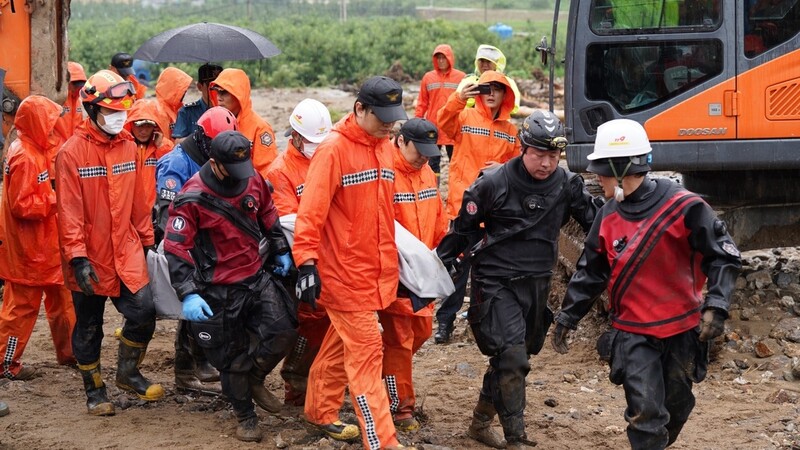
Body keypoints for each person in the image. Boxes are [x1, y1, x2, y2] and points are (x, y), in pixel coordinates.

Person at [551, 118, 742, 450]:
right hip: (633, 334)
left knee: (677, 407)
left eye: (601, 169)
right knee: (646, 416)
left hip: (682, 330)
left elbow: (723, 256)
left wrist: (718, 306)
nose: (596, 176)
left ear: (622, 169)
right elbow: (591, 270)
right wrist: (568, 316)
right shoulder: (607, 216)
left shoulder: (684, 207)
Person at [436, 110, 601, 449]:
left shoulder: (567, 185)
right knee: (512, 358)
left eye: (553, 156)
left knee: (514, 357)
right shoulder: (493, 183)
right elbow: (461, 232)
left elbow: (597, 225)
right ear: (523, 148)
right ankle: (517, 439)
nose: (546, 163)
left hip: (538, 282)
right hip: (496, 281)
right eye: (539, 154)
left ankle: (480, 423)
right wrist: (441, 269)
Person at [293, 76, 407, 449]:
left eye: (394, 117)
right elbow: (310, 213)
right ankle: (382, 441)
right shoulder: (333, 151)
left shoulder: (385, 148)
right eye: (383, 117)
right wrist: (307, 264)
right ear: (360, 109)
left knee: (341, 345)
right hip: (342, 276)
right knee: (368, 352)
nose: (390, 125)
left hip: (376, 273)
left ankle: (319, 410)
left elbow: (385, 215)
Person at [163, 130, 297, 442]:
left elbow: (266, 210)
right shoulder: (192, 197)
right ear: (215, 163)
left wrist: (279, 248)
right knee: (230, 358)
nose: (241, 177)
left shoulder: (252, 178)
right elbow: (175, 246)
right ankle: (245, 416)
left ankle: (256, 376)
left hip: (254, 275)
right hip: (217, 287)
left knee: (284, 329)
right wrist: (188, 292)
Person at [56, 69, 163, 416]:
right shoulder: (71, 154)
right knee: (89, 326)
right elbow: (68, 211)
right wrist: (77, 257)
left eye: (123, 112)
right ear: (92, 110)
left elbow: (138, 202)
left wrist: (147, 243)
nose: (120, 119)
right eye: (113, 112)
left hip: (126, 250)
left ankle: (128, 372)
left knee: (145, 310)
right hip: (89, 256)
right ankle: (94, 392)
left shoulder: (129, 147)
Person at [155, 106, 239, 393]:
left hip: (210, 243)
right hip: (180, 243)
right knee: (191, 299)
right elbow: (166, 214)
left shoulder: (216, 162)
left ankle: (202, 360)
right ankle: (186, 371)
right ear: (204, 139)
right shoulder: (175, 164)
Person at [433, 70, 520, 344]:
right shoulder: (465, 118)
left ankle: (484, 325)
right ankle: (445, 323)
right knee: (458, 270)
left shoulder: (511, 131)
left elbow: (520, 168)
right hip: (463, 210)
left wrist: (504, 168)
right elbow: (442, 124)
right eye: (486, 88)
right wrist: (458, 98)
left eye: (497, 88)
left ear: (506, 94)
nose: (491, 93)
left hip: (494, 213)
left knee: (489, 273)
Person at [0, 95, 77, 381]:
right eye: (48, 123)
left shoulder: (36, 148)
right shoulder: (25, 156)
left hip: (45, 247)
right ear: (35, 123)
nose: (52, 128)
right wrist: (57, 199)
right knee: (20, 312)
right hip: (27, 251)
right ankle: (5, 363)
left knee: (63, 302)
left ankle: (71, 352)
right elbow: (22, 205)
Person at [381, 118, 448, 431]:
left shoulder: (427, 175)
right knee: (399, 341)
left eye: (428, 152)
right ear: (400, 140)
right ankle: (401, 409)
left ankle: (383, 377)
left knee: (419, 333)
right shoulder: (384, 173)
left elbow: (438, 218)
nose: (424, 156)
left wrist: (445, 253)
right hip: (395, 275)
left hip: (422, 273)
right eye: (418, 150)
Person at [265, 98, 333, 407]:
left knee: (328, 321)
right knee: (310, 319)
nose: (316, 146)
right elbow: (289, 224)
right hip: (301, 258)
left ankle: (311, 379)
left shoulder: (329, 158)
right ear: (295, 135)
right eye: (311, 140)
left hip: (330, 252)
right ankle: (295, 385)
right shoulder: (281, 171)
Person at [209, 68, 278, 177]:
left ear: (239, 95)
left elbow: (266, 170)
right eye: (217, 92)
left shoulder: (260, 128)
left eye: (224, 92)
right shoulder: (214, 123)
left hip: (247, 187)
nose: (219, 98)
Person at [414, 44, 465, 180]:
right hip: (433, 127)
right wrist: (417, 121)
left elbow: (467, 103)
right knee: (433, 162)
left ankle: (456, 190)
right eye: (438, 58)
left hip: (452, 127)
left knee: (456, 161)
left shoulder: (461, 77)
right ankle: (434, 190)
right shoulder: (428, 77)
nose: (441, 61)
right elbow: (422, 102)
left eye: (444, 57)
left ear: (450, 58)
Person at [124, 99, 172, 210]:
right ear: (131, 124)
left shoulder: (164, 146)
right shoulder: (121, 146)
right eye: (139, 125)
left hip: (154, 210)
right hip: (128, 210)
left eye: (148, 126)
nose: (144, 131)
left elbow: (170, 173)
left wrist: (161, 146)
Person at [456, 44, 521, 114]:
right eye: (482, 61)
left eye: (488, 61)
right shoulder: (468, 81)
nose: (485, 65)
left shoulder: (507, 82)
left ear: (496, 63)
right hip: (471, 122)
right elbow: (456, 103)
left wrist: (495, 101)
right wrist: (476, 97)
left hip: (498, 123)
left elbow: (514, 108)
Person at [172, 63, 223, 142]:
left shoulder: (228, 110)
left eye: (219, 86)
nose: (215, 90)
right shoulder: (187, 112)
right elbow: (177, 143)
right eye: (211, 86)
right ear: (200, 86)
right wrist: (199, 139)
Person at [154, 66, 193, 138]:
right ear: (171, 88)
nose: (185, 92)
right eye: (182, 90)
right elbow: (163, 142)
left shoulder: (176, 109)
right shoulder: (161, 113)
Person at [54, 61, 87, 145]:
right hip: (56, 149)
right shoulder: (57, 99)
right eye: (75, 85)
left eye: (80, 85)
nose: (77, 88)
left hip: (73, 148)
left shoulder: (81, 100)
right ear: (66, 81)